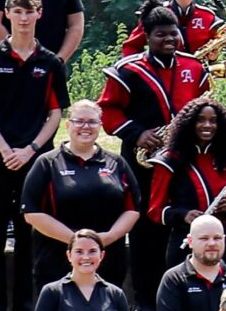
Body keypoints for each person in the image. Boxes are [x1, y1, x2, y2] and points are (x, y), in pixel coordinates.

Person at [0, 0, 68, 311]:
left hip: (35, 157)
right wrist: (5, 149)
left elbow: (55, 115)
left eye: (30, 11)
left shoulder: (50, 62)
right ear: (7, 14)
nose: (24, 18)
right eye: (17, 11)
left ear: (40, 15)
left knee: (30, 232)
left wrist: (31, 150)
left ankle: (24, 308)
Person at [97, 4, 209, 303]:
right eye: (161, 35)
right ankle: (146, 297)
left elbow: (204, 109)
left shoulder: (194, 67)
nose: (169, 39)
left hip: (183, 159)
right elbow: (108, 111)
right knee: (146, 227)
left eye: (174, 34)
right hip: (142, 158)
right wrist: (138, 133)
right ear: (146, 36)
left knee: (181, 222)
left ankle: (182, 295)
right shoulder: (128, 70)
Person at [19, 99, 139, 296]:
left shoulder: (116, 162)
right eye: (79, 121)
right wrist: (79, 243)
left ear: (100, 126)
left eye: (92, 122)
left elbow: (132, 208)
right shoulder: (47, 163)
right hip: (57, 262)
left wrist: (106, 239)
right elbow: (32, 212)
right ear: (68, 125)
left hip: (108, 260)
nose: (86, 127)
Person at [148, 99, 226, 271]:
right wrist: (183, 215)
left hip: (223, 243)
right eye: (200, 120)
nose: (207, 125)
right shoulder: (169, 160)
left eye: (213, 121)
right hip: (184, 243)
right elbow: (155, 211)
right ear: (189, 123)